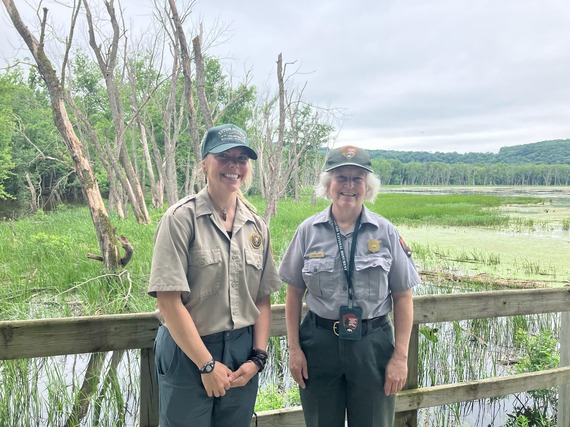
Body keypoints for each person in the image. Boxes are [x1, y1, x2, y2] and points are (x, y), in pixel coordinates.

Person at [148, 124, 282, 427]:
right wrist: (206, 365)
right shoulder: (180, 219)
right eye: (225, 157)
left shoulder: (256, 227)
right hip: (188, 352)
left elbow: (262, 298)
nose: (234, 166)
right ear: (205, 163)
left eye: (242, 159)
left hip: (241, 352)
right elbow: (169, 302)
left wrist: (257, 359)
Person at [279, 145, 421, 427]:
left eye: (357, 178)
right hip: (319, 344)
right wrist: (294, 350)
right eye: (341, 177)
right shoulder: (308, 231)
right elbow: (293, 294)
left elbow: (403, 297)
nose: (349, 185)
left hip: (372, 345)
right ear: (328, 185)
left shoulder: (385, 232)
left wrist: (400, 357)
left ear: (367, 187)